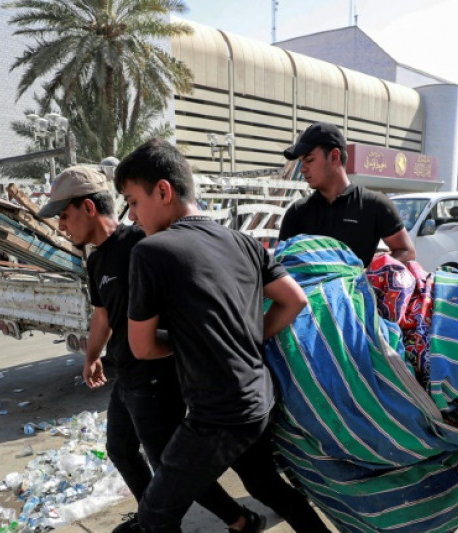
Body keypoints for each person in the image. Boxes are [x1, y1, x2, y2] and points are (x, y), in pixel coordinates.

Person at [115, 139, 332, 533]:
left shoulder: (151, 252)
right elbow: (294, 300)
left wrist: (193, 342)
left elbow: (141, 347)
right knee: (264, 484)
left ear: (162, 191)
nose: (132, 216)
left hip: (217, 414)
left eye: (132, 202)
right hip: (259, 399)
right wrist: (248, 338)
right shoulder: (244, 242)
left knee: (155, 515)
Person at [38, 166, 259, 533]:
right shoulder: (95, 259)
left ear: (88, 208)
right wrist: (92, 357)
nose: (61, 226)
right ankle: (151, 519)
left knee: (171, 468)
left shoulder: (142, 244)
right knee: (120, 450)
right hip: (125, 375)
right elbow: (102, 315)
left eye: (64, 215)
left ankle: (238, 521)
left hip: (157, 379)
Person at [279, 122, 415, 266]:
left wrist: (369, 272)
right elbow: (280, 264)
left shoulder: (375, 205)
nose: (302, 169)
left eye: (309, 160)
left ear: (334, 156)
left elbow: (406, 251)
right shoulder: (297, 212)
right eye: (301, 162)